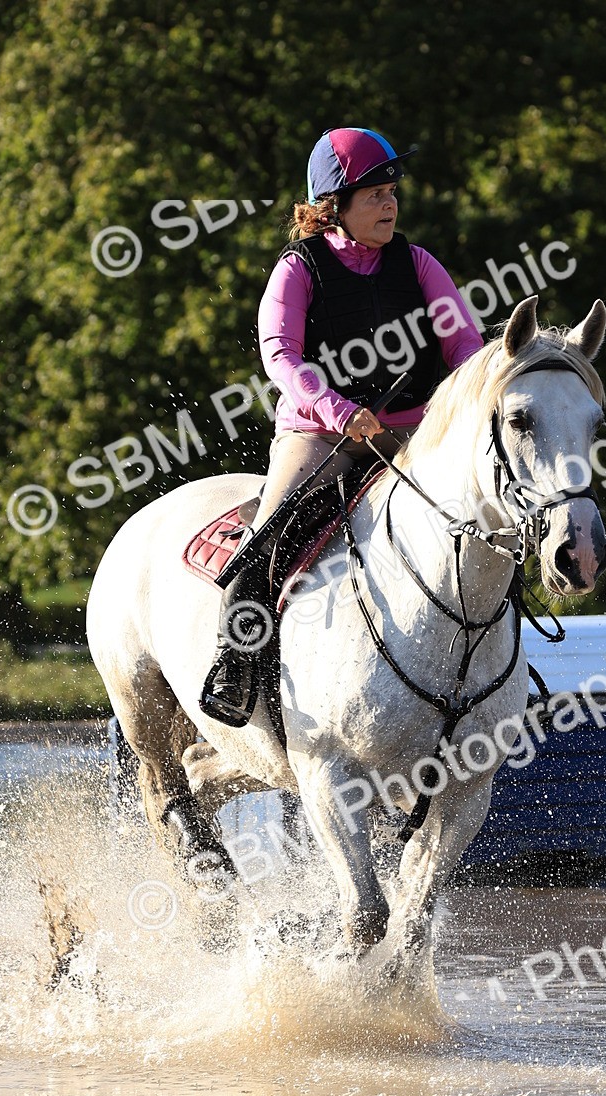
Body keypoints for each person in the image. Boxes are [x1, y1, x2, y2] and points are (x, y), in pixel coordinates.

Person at [200, 126, 484, 726]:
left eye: (391, 192)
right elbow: (281, 355)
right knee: (267, 540)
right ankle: (236, 665)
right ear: (335, 206)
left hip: (411, 435)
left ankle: (490, 673)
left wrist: (469, 403)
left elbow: (465, 347)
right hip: (319, 434)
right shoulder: (298, 270)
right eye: (375, 194)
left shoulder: (418, 263)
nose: (390, 204)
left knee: (487, 518)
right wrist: (338, 411)